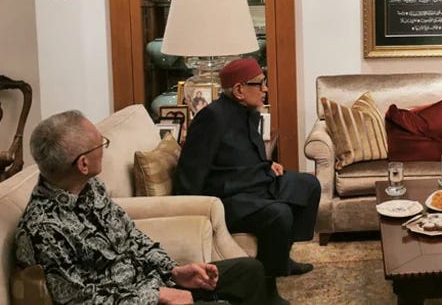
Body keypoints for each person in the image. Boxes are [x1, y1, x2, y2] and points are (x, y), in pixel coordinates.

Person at [15, 110, 267, 305]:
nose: (104, 148)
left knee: (249, 271)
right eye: (100, 144)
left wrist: (174, 270)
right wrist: (157, 295)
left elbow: (132, 237)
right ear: (83, 164)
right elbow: (79, 300)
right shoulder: (43, 230)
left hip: (153, 283)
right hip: (137, 300)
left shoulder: (91, 188)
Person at [174, 58, 321, 305]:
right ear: (239, 89)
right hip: (230, 198)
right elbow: (191, 173)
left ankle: (282, 256)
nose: (265, 89)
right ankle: (267, 287)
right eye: (260, 84)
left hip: (258, 181)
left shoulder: (248, 112)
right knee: (279, 214)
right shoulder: (211, 118)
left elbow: (240, 153)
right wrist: (196, 212)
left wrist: (267, 164)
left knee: (308, 186)